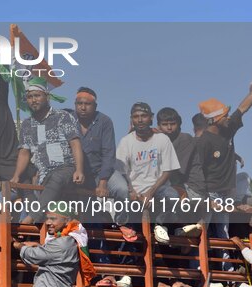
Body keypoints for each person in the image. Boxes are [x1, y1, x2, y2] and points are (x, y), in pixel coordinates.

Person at [10, 77, 84, 225]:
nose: (33, 100)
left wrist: (80, 170)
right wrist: (16, 176)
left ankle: (31, 219)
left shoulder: (63, 117)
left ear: (47, 97)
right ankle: (35, 226)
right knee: (23, 184)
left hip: (66, 169)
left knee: (57, 177)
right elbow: (24, 152)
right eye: (30, 97)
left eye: (37, 95)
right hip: (43, 173)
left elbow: (75, 144)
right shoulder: (26, 124)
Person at [196, 85, 252, 270]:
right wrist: (205, 200)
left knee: (223, 231)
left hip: (225, 193)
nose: (228, 118)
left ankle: (227, 270)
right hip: (209, 193)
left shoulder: (228, 129)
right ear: (213, 120)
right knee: (202, 230)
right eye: (223, 116)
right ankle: (198, 270)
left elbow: (242, 109)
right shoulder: (203, 142)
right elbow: (196, 173)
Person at [73, 87, 134, 241]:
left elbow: (109, 153)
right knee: (86, 210)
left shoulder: (105, 121)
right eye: (79, 103)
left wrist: (103, 182)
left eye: (87, 104)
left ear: (95, 107)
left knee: (121, 189)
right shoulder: (68, 120)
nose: (83, 107)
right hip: (78, 173)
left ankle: (121, 222)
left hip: (101, 171)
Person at [12, 206, 95, 287]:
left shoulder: (63, 243)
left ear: (67, 220)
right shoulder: (68, 241)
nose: (48, 222)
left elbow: (33, 255)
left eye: (53, 219)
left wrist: (16, 244)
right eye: (47, 218)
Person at [116, 102, 181, 244]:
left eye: (144, 116)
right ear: (131, 120)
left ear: (151, 118)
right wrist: (131, 191)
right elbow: (121, 171)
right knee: (132, 231)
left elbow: (168, 170)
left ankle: (159, 225)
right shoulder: (126, 142)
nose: (140, 120)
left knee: (173, 196)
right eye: (136, 116)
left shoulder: (162, 139)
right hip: (134, 189)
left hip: (158, 187)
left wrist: (150, 192)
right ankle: (124, 228)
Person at [157, 107, 206, 231]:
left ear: (179, 124)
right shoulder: (160, 141)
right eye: (164, 124)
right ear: (158, 126)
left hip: (190, 187)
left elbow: (176, 171)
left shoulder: (184, 139)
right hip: (173, 185)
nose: (169, 128)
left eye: (172, 124)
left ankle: (166, 226)